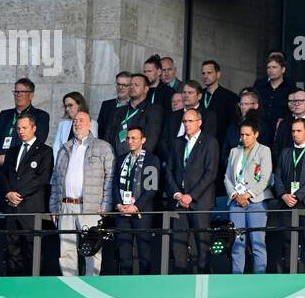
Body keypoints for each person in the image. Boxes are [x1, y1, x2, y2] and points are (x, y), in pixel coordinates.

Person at [50, 110, 114, 277]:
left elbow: (110, 178)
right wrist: (54, 207)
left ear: (90, 124)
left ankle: (92, 285)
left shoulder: (102, 147)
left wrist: (106, 204)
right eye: (75, 121)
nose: (77, 123)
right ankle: (71, 286)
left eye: (81, 120)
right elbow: (56, 180)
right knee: (66, 249)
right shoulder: (64, 149)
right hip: (66, 206)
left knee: (92, 249)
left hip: (90, 207)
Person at [0, 114, 54, 276]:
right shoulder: (13, 151)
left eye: (24, 128)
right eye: (18, 128)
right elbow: (3, 175)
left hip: (30, 206)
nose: (21, 131)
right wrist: (8, 193)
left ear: (34, 128)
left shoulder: (44, 151)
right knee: (12, 248)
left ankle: (34, 285)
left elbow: (42, 178)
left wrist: (19, 194)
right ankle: (14, 285)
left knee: (32, 247)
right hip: (12, 208)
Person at [165, 108, 220, 274]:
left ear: (199, 122)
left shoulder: (210, 142)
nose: (187, 124)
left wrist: (191, 195)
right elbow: (169, 170)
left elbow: (210, 173)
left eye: (190, 121)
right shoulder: (177, 142)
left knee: (202, 242)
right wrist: (177, 194)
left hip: (200, 201)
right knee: (178, 241)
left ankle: (203, 277)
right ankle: (181, 277)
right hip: (179, 201)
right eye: (185, 121)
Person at [223, 119, 273, 275]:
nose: (244, 138)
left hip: (256, 201)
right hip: (236, 202)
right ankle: (237, 277)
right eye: (242, 135)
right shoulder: (234, 151)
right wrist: (236, 195)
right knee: (237, 242)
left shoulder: (264, 150)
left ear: (256, 134)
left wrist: (248, 194)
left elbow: (265, 178)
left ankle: (259, 278)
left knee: (257, 242)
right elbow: (227, 178)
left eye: (247, 135)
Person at [275, 116, 305, 272]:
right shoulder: (286, 152)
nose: (295, 134)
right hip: (287, 204)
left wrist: (297, 195)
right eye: (293, 131)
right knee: (288, 241)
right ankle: (290, 275)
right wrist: (283, 194)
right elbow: (278, 175)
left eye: (299, 131)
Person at [112, 125, 161, 275]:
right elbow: (114, 185)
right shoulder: (121, 159)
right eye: (128, 138)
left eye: (134, 138)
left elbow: (151, 188)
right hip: (122, 212)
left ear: (143, 140)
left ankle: (145, 286)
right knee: (124, 252)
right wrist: (119, 204)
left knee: (144, 252)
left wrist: (136, 206)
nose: (130, 141)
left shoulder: (152, 159)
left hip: (141, 212)